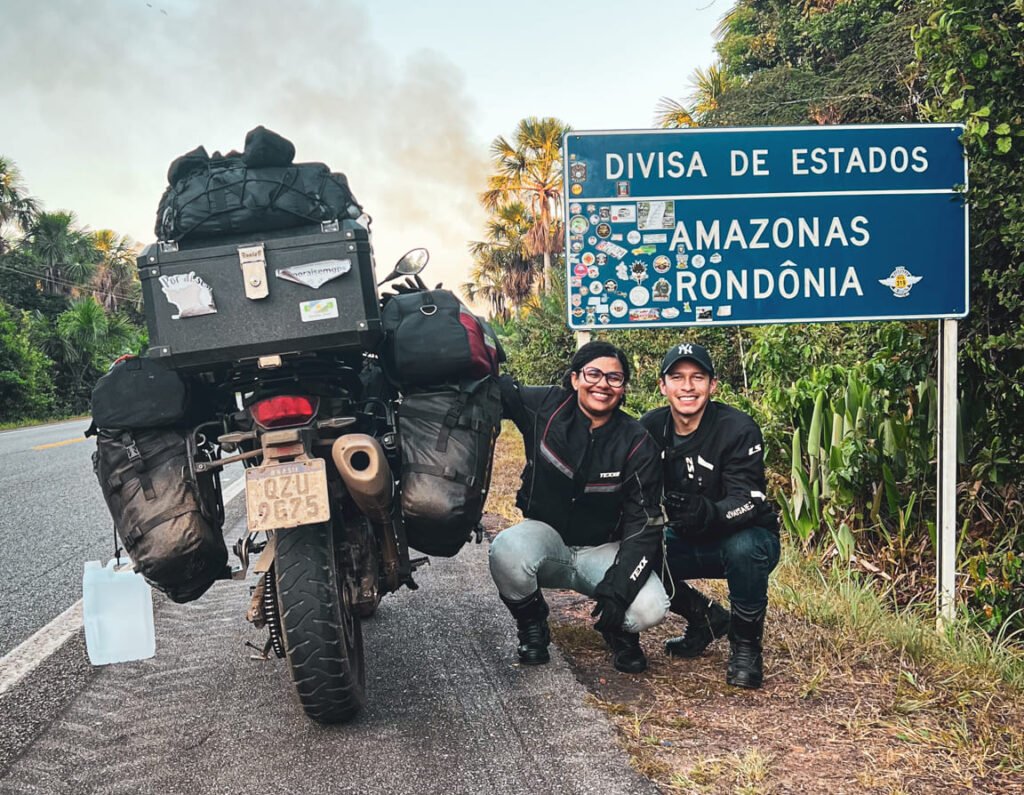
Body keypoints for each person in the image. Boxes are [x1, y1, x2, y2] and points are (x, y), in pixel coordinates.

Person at [489, 341, 669, 674]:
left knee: (651, 607)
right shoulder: (545, 406)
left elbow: (643, 524)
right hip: (547, 539)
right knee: (506, 550)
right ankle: (532, 623)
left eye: (614, 378)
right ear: (575, 379)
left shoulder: (637, 441)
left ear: (623, 388)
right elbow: (495, 391)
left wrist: (620, 590)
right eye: (593, 374)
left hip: (603, 549)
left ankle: (619, 632)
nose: (603, 384)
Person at [640, 342, 780, 689]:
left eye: (697, 377)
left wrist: (711, 512)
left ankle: (746, 648)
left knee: (744, 547)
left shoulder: (738, 428)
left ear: (712, 385)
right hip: (683, 538)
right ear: (662, 386)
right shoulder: (650, 427)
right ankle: (705, 618)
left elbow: (749, 500)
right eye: (677, 377)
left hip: (745, 535)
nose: (687, 386)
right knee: (634, 552)